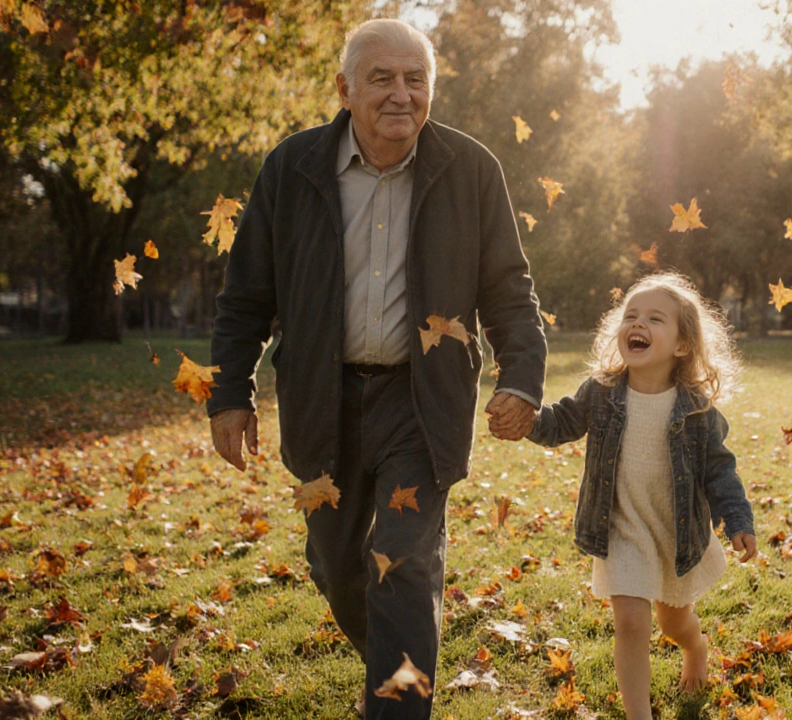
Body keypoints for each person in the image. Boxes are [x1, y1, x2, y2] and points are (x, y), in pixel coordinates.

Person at [205, 19, 547, 719]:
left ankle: (396, 704)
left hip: (420, 403)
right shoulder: (292, 168)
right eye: (382, 79)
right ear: (344, 88)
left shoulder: (471, 169)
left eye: (415, 79)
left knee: (401, 561)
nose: (401, 95)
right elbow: (246, 294)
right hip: (320, 400)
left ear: (432, 88)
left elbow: (509, 287)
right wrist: (229, 392)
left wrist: (521, 378)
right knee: (339, 570)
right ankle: (395, 665)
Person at [510, 272, 757, 720]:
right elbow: (561, 422)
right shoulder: (602, 393)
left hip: (674, 532)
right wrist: (525, 420)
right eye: (630, 316)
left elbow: (720, 471)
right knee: (631, 622)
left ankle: (696, 648)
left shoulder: (697, 409)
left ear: (682, 345)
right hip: (621, 528)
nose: (637, 324)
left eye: (654, 319)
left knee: (673, 623)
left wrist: (738, 520)